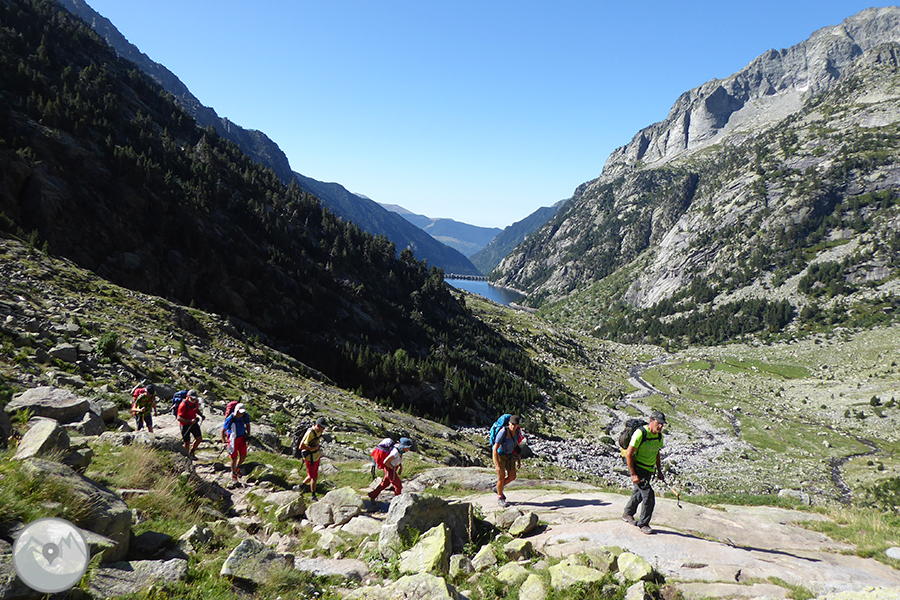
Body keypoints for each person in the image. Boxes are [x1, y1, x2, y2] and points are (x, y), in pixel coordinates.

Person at [622, 410, 667, 534]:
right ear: (651, 421)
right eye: (658, 423)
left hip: (649, 469)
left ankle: (627, 513)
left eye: (662, 424)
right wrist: (633, 474)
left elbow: (656, 453)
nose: (661, 426)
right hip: (638, 468)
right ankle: (644, 524)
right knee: (649, 495)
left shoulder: (659, 436)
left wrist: (659, 470)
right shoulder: (640, 433)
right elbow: (629, 454)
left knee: (639, 493)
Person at [368, 437, 413, 504]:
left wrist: (400, 467)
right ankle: (398, 502)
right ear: (403, 447)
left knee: (386, 483)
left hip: (392, 468)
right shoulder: (395, 452)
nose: (409, 449)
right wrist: (392, 468)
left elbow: (398, 459)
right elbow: (385, 462)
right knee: (398, 485)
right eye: (408, 447)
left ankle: (372, 495)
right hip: (390, 469)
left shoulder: (400, 450)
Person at [492, 414, 523, 507]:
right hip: (500, 455)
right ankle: (500, 497)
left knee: (512, 476)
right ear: (509, 423)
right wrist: (497, 465)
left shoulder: (517, 433)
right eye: (512, 424)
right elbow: (495, 449)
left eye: (515, 425)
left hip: (509, 455)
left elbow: (516, 446)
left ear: (518, 425)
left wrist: (518, 459)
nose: (513, 426)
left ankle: (498, 488)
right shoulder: (503, 432)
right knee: (501, 477)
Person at [222, 403, 251, 482]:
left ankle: (237, 467)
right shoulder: (230, 418)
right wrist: (224, 442)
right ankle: (233, 474)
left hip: (242, 438)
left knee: (243, 455)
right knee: (234, 457)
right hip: (232, 439)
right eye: (240, 412)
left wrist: (248, 435)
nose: (241, 414)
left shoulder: (245, 416)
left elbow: (248, 425)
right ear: (236, 411)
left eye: (243, 412)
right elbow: (223, 431)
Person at [298, 417, 327, 499]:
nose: (324, 429)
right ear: (317, 426)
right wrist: (313, 448)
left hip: (316, 456)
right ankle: (313, 495)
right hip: (309, 457)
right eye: (322, 427)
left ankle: (301, 486)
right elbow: (301, 446)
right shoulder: (310, 433)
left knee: (312, 475)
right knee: (314, 477)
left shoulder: (319, 431)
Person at [176, 389, 205, 458]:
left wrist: (201, 415)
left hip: (193, 423)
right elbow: (179, 418)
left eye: (195, 398)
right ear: (188, 397)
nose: (194, 399)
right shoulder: (183, 405)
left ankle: (191, 453)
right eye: (192, 398)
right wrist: (189, 421)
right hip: (185, 425)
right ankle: (186, 457)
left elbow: (196, 409)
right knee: (187, 442)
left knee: (199, 439)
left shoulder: (195, 402)